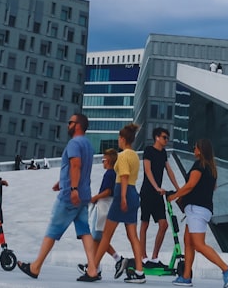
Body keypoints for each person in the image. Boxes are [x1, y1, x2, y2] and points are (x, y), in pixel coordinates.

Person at [18, 113, 99, 281]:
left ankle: (35, 267)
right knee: (85, 231)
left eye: (70, 122)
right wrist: (61, 182)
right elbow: (81, 169)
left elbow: (76, 165)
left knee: (53, 229)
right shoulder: (88, 145)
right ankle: (92, 269)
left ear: (77, 125)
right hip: (84, 195)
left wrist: (72, 188)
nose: (67, 125)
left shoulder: (74, 143)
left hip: (71, 196)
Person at [165, 139, 228, 288]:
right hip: (199, 209)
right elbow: (211, 187)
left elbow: (190, 185)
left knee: (198, 244)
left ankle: (226, 269)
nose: (193, 149)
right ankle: (186, 277)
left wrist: (175, 195)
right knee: (188, 242)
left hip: (196, 209)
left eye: (195, 147)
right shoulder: (211, 168)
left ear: (200, 150)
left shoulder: (199, 165)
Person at [86, 124, 147, 283]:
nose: (118, 141)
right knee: (133, 236)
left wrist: (123, 198)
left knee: (105, 235)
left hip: (123, 194)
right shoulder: (134, 156)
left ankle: (93, 269)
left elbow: (124, 176)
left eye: (119, 138)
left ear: (122, 139)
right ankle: (140, 272)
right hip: (133, 193)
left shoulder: (122, 156)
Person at [81, 148, 128, 279]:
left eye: (103, 160)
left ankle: (117, 259)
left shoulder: (109, 173)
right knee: (97, 237)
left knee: (99, 237)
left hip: (104, 206)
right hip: (108, 206)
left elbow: (107, 191)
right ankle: (95, 265)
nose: (102, 162)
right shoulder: (114, 173)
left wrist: (95, 197)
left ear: (108, 161)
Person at [140, 127, 181, 268]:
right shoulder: (148, 150)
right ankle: (143, 257)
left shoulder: (163, 153)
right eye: (164, 137)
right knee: (144, 224)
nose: (166, 140)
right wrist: (156, 187)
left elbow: (169, 171)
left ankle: (155, 257)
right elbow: (147, 170)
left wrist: (179, 189)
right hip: (147, 192)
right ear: (157, 137)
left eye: (167, 138)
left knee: (164, 224)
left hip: (158, 194)